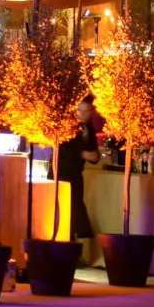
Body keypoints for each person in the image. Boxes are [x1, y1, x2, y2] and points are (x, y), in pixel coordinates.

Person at [58, 94, 104, 239]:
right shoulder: (66, 126)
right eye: (80, 111)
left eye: (87, 111)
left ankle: (77, 241)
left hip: (76, 174)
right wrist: (83, 154)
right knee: (67, 209)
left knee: (75, 207)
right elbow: (63, 148)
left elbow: (94, 152)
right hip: (61, 173)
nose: (83, 115)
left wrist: (95, 155)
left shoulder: (89, 128)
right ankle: (71, 240)